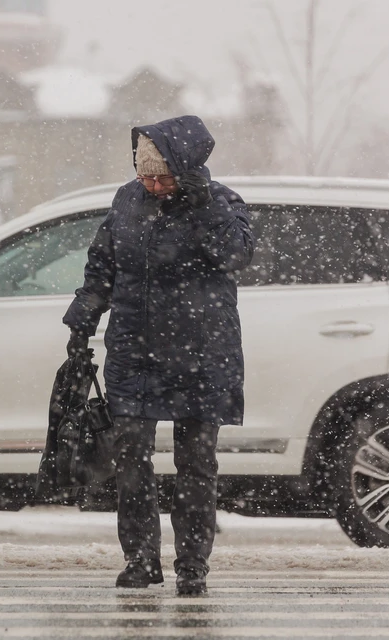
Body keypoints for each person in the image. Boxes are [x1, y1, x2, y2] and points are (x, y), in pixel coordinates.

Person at [63, 116, 255, 594]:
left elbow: (237, 255)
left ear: (186, 168)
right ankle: (141, 559)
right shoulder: (128, 199)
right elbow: (103, 262)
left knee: (196, 463)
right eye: (144, 173)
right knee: (131, 457)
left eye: (161, 176)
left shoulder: (221, 202)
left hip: (203, 351)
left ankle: (192, 565)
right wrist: (83, 315)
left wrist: (201, 204)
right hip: (134, 348)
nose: (150, 184)